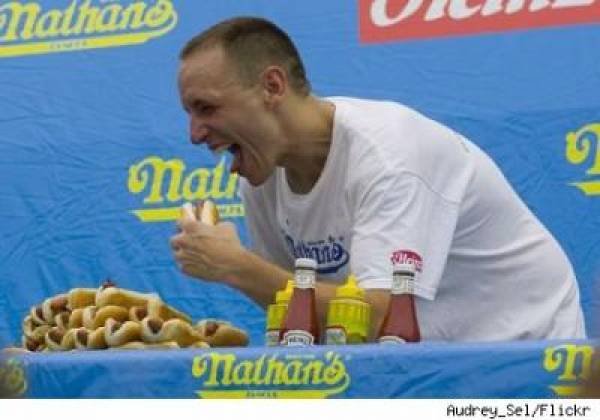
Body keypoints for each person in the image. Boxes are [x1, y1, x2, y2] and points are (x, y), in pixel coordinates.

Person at [170, 16, 586, 341]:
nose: (194, 134)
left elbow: (381, 317)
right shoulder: (261, 174)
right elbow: (297, 313)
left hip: (524, 361)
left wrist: (236, 266)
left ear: (272, 86)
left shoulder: (391, 156)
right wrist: (242, 270)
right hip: (419, 369)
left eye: (206, 108)